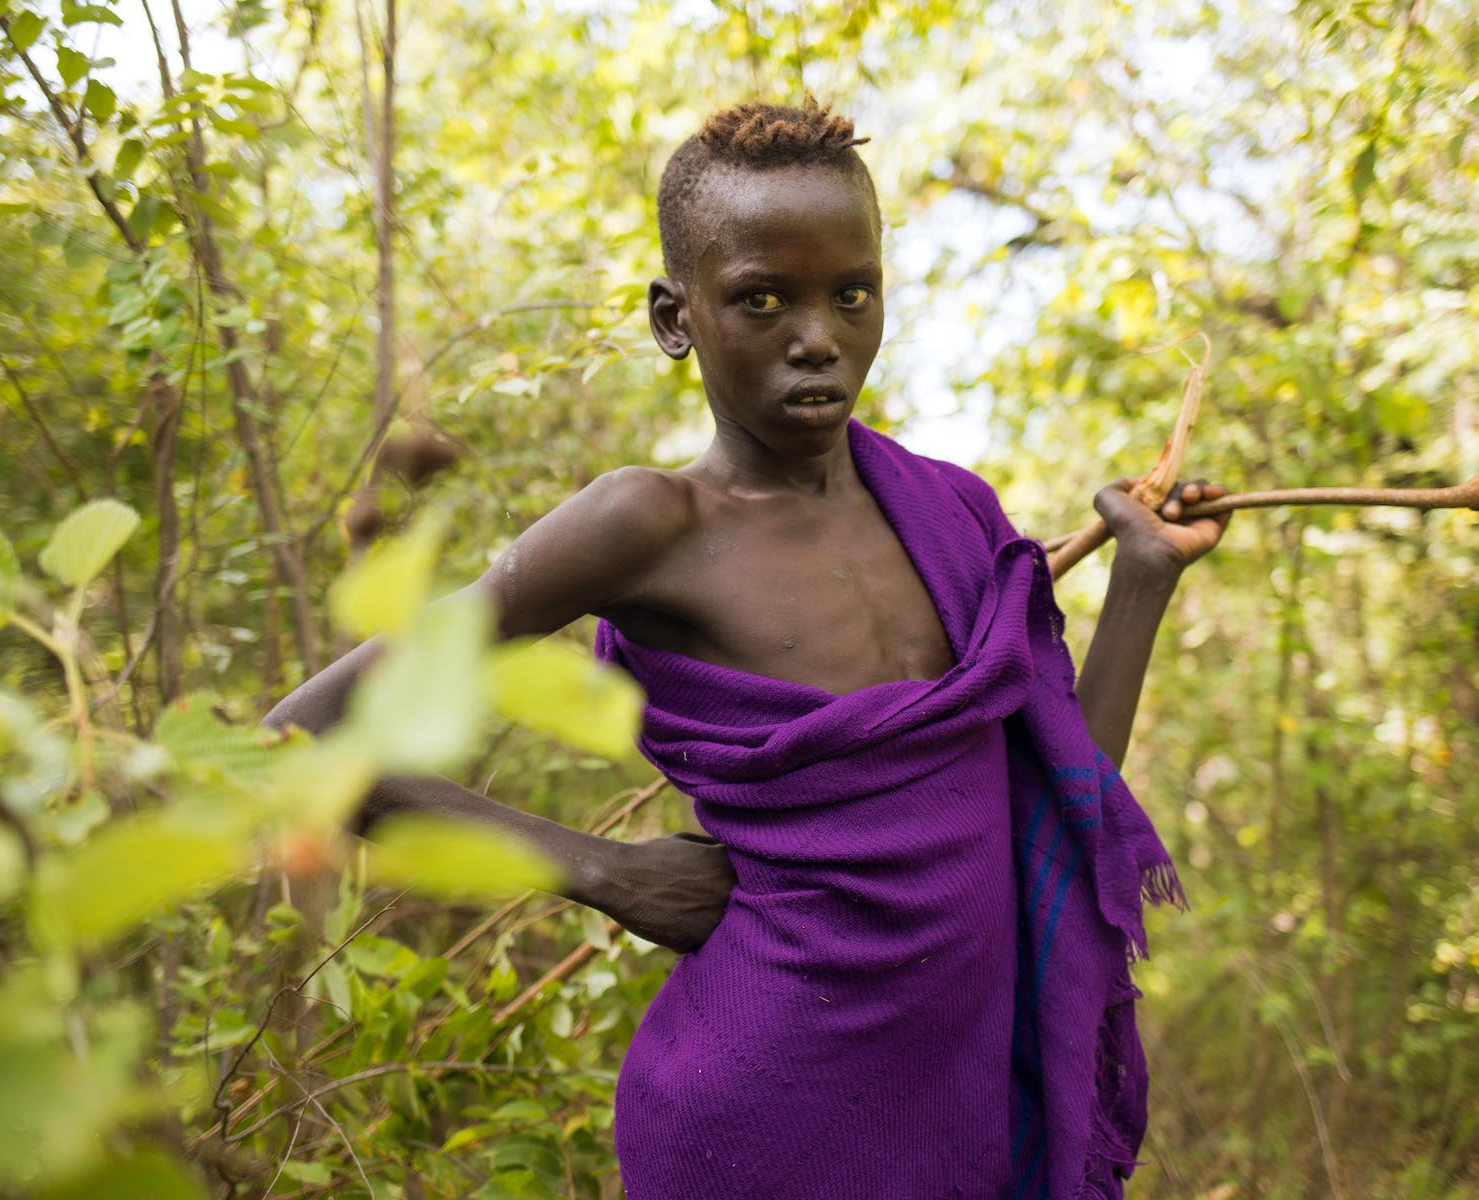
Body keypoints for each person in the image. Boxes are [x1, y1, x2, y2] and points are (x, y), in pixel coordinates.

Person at [263, 98, 1230, 1199]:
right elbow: (299, 734)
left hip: (955, 1097)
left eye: (850, 294)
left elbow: (1057, 798)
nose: (817, 337)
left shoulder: (954, 514)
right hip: (758, 1113)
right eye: (762, 299)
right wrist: (608, 871)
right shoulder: (648, 525)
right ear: (676, 319)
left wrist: (1144, 580)